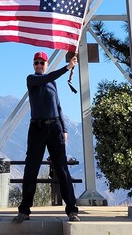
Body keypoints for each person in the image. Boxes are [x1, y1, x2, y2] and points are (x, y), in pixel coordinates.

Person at [13, 50, 81, 223]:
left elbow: (58, 106)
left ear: (47, 64)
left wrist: (64, 129)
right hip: (36, 129)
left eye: (42, 63)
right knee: (31, 169)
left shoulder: (53, 84)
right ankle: (24, 210)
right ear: (33, 65)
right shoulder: (32, 79)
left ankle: (72, 210)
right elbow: (46, 78)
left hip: (55, 128)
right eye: (36, 63)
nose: (39, 65)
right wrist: (67, 68)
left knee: (62, 169)